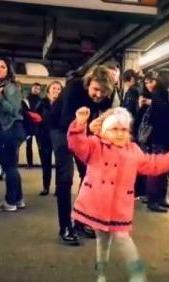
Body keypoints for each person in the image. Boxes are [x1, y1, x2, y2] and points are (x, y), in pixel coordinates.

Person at [68, 106, 169, 282]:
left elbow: (153, 164)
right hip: (97, 203)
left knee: (122, 237)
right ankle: (101, 274)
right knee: (102, 240)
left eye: (124, 129)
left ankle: (136, 273)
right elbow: (76, 144)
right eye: (115, 129)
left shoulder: (133, 150)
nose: (120, 133)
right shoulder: (94, 145)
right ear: (105, 129)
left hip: (120, 206)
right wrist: (80, 124)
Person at [50, 65, 114, 245]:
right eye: (95, 90)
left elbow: (106, 115)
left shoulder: (105, 95)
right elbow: (65, 121)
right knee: (65, 177)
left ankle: (80, 221)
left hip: (83, 130)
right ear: (88, 83)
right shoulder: (74, 88)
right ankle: (65, 227)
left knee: (88, 175)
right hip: (60, 129)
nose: (99, 95)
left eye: (103, 91)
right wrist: (89, 124)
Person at [136, 70, 169, 213]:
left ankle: (160, 198)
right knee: (157, 171)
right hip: (160, 137)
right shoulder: (160, 94)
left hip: (166, 137)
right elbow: (163, 115)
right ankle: (153, 200)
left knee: (164, 170)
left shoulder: (164, 93)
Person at [0, 58, 26, 212]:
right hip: (6, 129)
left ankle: (10, 202)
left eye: (2, 67)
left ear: (8, 71)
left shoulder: (9, 87)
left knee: (9, 166)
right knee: (11, 166)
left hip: (10, 128)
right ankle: (18, 199)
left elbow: (14, 110)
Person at [35, 81, 62, 196]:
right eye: (53, 88)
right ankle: (46, 187)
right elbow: (35, 118)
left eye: (58, 89)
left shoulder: (63, 104)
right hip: (44, 137)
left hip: (59, 137)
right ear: (48, 90)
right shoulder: (42, 103)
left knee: (60, 164)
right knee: (46, 164)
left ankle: (58, 188)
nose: (55, 90)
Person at [23, 82, 42, 168]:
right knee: (28, 145)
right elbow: (23, 111)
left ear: (40, 90)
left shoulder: (41, 101)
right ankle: (29, 164)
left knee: (40, 145)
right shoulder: (25, 100)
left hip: (39, 126)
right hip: (29, 125)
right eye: (35, 88)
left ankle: (43, 163)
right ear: (31, 88)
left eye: (38, 89)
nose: (36, 90)